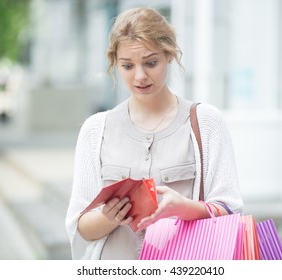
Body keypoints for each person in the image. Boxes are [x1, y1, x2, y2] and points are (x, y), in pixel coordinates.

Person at [65, 7, 243, 260]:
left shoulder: (206, 122)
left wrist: (184, 208)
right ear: (115, 62)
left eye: (150, 63)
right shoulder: (96, 130)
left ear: (169, 55)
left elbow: (231, 208)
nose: (140, 76)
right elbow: (79, 226)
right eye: (127, 65)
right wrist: (108, 217)